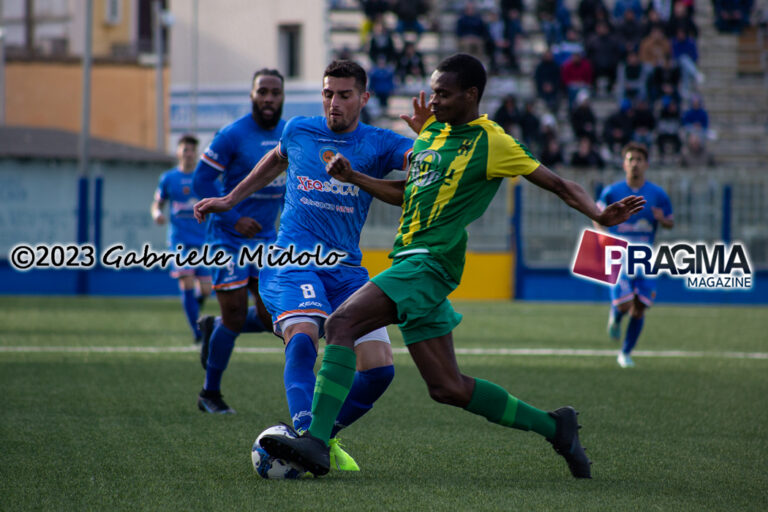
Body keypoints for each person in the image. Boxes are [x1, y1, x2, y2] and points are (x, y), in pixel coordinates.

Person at [258, 53, 645, 478]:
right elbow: (407, 192)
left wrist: (599, 213)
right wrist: (355, 177)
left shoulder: (492, 141)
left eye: (443, 93)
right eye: (433, 90)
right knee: (448, 387)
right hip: (412, 261)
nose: (433, 99)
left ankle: (315, 440)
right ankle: (556, 427)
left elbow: (559, 183)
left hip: (429, 263)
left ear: (470, 95)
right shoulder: (433, 135)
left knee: (341, 324)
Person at [194, 60, 421, 471]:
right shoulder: (299, 129)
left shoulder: (380, 142)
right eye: (328, 93)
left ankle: (316, 438)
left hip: (347, 269)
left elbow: (422, 173)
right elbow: (276, 160)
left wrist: (428, 137)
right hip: (293, 260)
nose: (334, 102)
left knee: (380, 371)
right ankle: (304, 432)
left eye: (345, 95)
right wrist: (230, 200)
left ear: (364, 98)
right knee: (304, 336)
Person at [192, 69, 286, 414]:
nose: (269, 98)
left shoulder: (289, 134)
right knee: (233, 316)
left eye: (275, 92)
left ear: (282, 96)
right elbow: (201, 181)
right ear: (252, 95)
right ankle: (209, 394)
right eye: (263, 91)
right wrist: (232, 217)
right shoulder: (232, 135)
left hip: (266, 240)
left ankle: (212, 328)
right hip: (227, 238)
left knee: (269, 317)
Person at [597, 142, 674, 367]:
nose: (635, 164)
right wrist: (602, 233)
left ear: (646, 164)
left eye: (639, 160)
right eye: (631, 159)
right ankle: (616, 314)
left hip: (644, 258)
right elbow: (597, 212)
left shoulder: (657, 194)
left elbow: (670, 221)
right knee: (624, 305)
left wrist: (662, 220)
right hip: (618, 255)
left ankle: (625, 353)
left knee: (640, 307)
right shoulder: (612, 191)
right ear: (624, 164)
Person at [151, 134, 212, 343]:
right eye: (185, 149)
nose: (189, 153)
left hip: (202, 241)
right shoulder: (168, 178)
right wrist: (157, 214)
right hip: (179, 241)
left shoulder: (203, 178)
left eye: (192, 150)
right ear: (178, 152)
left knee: (205, 289)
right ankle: (198, 333)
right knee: (186, 281)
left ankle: (194, 311)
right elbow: (157, 203)